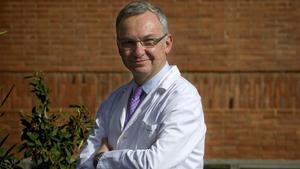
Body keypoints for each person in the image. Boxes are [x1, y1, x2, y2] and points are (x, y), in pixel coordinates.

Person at [76, 1, 206, 168]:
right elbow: (83, 163)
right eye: (128, 43)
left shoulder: (183, 98)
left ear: (167, 44)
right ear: (119, 47)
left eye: (148, 41)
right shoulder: (113, 101)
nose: (138, 51)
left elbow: (154, 164)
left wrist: (102, 159)